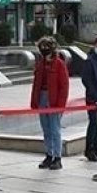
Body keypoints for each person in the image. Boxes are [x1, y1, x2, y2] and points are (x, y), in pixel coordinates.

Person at [30, 36, 70, 169]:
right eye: (42, 48)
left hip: (54, 99)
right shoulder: (40, 63)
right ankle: (49, 154)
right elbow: (36, 84)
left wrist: (60, 104)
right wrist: (34, 101)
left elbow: (64, 86)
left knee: (55, 129)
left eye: (47, 48)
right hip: (42, 96)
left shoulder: (59, 63)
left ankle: (57, 157)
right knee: (46, 129)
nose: (44, 50)